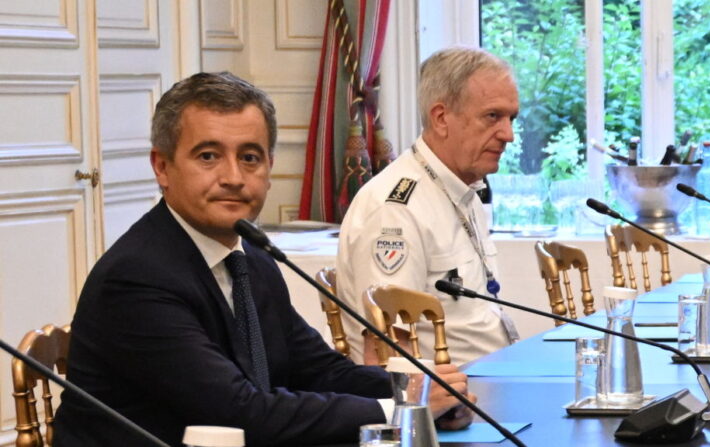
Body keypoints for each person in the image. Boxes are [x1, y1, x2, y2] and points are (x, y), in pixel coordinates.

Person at [53, 72, 474, 447]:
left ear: (269, 167)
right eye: (208, 156)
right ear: (162, 167)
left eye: (250, 157)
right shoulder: (136, 279)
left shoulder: (251, 256)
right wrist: (400, 412)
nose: (234, 177)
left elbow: (318, 369)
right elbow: (239, 413)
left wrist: (415, 390)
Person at [337, 47, 521, 365]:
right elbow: (387, 350)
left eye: (511, 118)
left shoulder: (462, 187)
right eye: (493, 117)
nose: (508, 135)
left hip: (490, 379)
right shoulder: (395, 209)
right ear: (440, 118)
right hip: (450, 405)